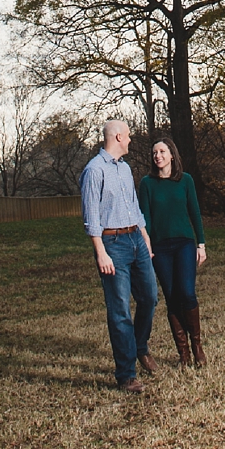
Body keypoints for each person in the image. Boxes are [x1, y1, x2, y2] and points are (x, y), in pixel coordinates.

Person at [79, 119, 157, 391]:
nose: (131, 141)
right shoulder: (94, 171)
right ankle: (126, 375)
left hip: (136, 238)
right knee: (120, 310)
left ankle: (140, 346)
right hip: (113, 245)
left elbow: (134, 207)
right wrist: (101, 253)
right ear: (118, 137)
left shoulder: (125, 169)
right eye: (129, 137)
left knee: (150, 297)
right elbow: (91, 218)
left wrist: (145, 238)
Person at [137, 135, 207, 367]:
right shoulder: (147, 183)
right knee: (172, 298)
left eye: (162, 152)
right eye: (155, 153)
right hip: (160, 248)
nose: (158, 156)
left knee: (187, 293)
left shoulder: (185, 180)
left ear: (172, 155)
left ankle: (197, 346)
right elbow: (143, 218)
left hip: (184, 243)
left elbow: (194, 212)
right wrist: (146, 244)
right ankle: (183, 353)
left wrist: (201, 244)